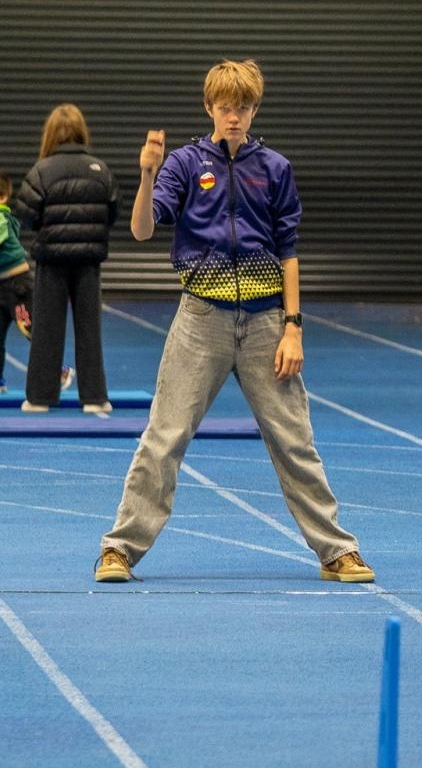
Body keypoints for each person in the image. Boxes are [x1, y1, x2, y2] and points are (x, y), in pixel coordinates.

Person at [95, 59, 373, 584]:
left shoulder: (274, 169)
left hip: (267, 322)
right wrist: (147, 173)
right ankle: (119, 549)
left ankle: (337, 550)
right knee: (165, 436)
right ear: (210, 109)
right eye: (226, 108)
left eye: (243, 107)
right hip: (200, 321)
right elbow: (139, 230)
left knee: (294, 441)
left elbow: (288, 251)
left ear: (254, 110)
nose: (235, 117)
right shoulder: (181, 164)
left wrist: (293, 326)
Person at [10, 104, 118, 413]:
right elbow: (112, 211)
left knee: (46, 328)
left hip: (52, 260)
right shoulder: (101, 170)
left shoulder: (41, 171)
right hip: (88, 261)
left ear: (50, 135)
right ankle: (95, 398)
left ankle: (40, 398)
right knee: (90, 328)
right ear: (82, 132)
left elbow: (26, 216)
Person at [0, 173, 33, 392]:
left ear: (2, 198)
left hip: (17, 285)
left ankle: (58, 371)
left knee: (31, 329)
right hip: (2, 285)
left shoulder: (1, 218)